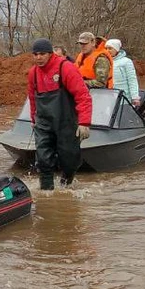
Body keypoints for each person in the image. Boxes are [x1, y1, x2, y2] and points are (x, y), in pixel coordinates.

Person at [27, 38, 92, 191]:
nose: (38, 58)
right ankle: (47, 192)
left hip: (66, 122)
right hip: (43, 123)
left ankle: (66, 185)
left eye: (42, 54)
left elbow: (83, 96)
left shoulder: (66, 68)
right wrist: (32, 119)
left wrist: (84, 123)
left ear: (50, 54)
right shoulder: (33, 73)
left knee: (69, 159)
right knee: (43, 158)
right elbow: (32, 98)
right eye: (35, 54)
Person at [104, 39, 141, 107]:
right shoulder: (105, 62)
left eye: (110, 48)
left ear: (117, 49)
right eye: (106, 48)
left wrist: (135, 97)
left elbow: (132, 80)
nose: (107, 51)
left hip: (124, 98)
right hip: (109, 97)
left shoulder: (126, 62)